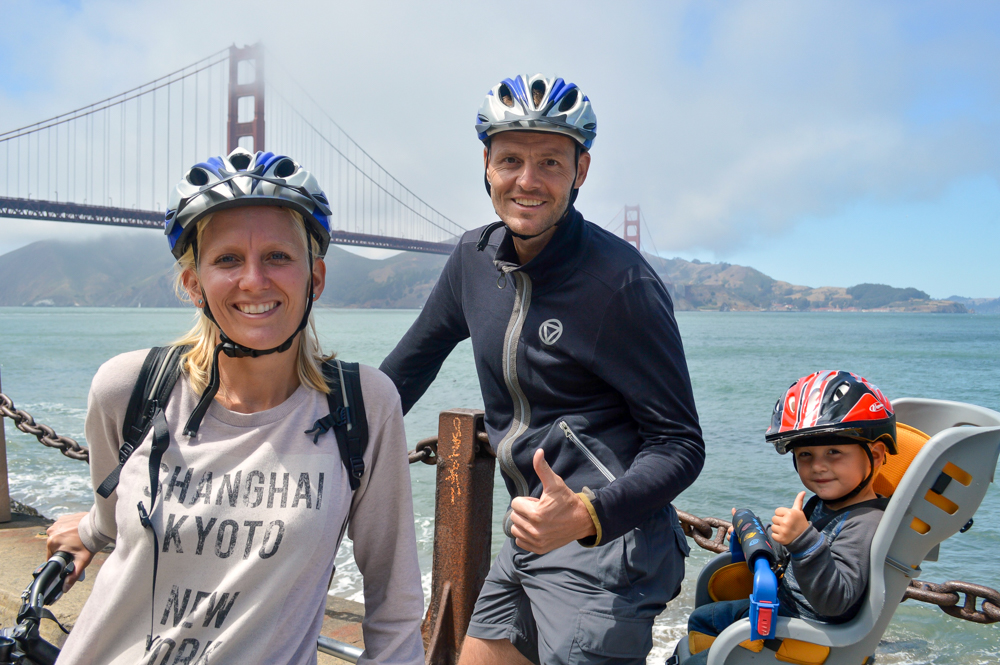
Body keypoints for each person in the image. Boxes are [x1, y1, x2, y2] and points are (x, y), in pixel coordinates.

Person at [45, 148, 425, 665]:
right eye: (227, 259)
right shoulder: (129, 388)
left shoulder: (363, 405)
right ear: (194, 285)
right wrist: (90, 531)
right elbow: (114, 515)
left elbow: (395, 607)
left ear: (315, 278)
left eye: (278, 256)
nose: (253, 280)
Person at [379, 74, 705, 665]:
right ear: (486, 164)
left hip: (611, 542)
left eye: (550, 163)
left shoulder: (621, 284)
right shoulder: (472, 261)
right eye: (510, 160)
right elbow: (403, 372)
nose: (527, 182)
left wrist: (586, 513)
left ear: (581, 171)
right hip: (530, 528)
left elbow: (680, 444)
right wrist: (322, 434)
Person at [684, 370, 897, 663]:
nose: (818, 466)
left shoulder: (867, 523)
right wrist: (761, 537)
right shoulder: (821, 503)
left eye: (834, 452)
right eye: (805, 455)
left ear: (874, 455)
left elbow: (837, 601)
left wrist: (804, 542)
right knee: (703, 618)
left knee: (700, 640)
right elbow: (788, 549)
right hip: (785, 610)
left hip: (809, 633)